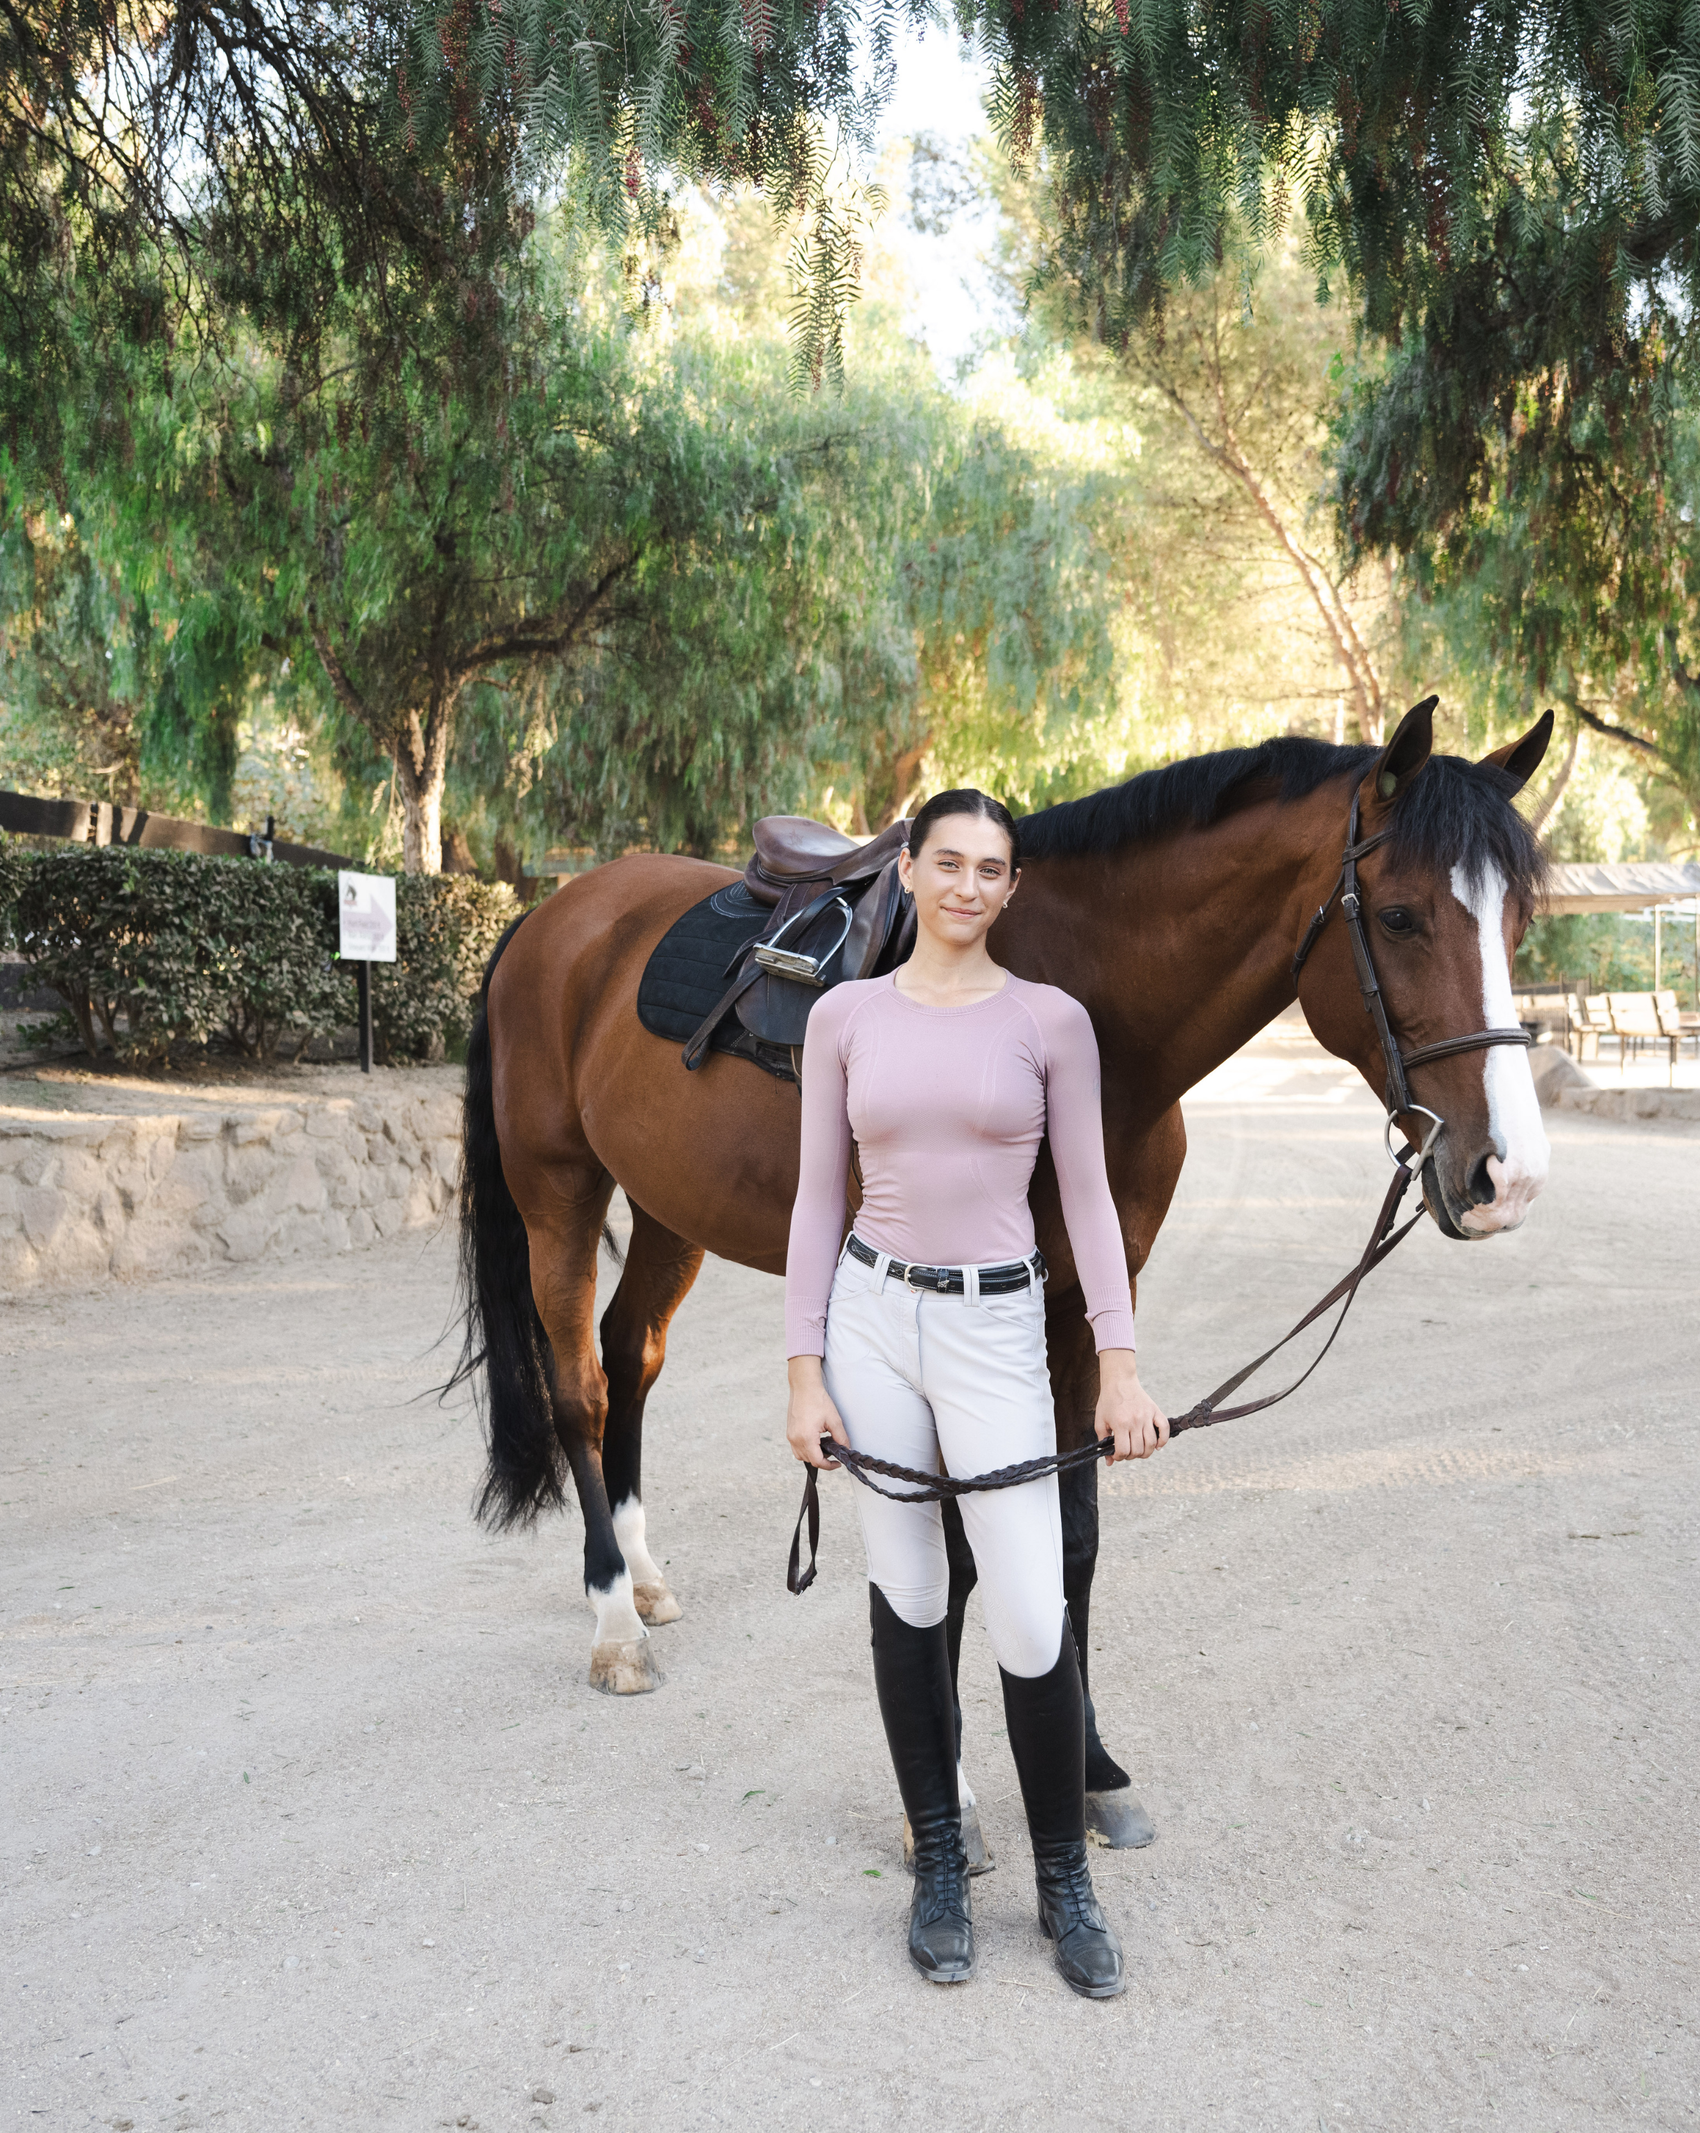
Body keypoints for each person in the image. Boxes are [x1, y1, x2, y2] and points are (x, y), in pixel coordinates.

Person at [784, 788, 1169, 1998]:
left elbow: (1090, 1200)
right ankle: (940, 1861)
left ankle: (1064, 1882)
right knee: (905, 1593)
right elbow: (812, 1200)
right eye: (943, 862)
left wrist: (1116, 1357)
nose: (963, 886)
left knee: (1025, 1608)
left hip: (996, 1323)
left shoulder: (1049, 1021)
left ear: (1011, 888)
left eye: (988, 869)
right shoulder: (842, 1017)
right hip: (871, 1319)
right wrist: (804, 1369)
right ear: (905, 870)